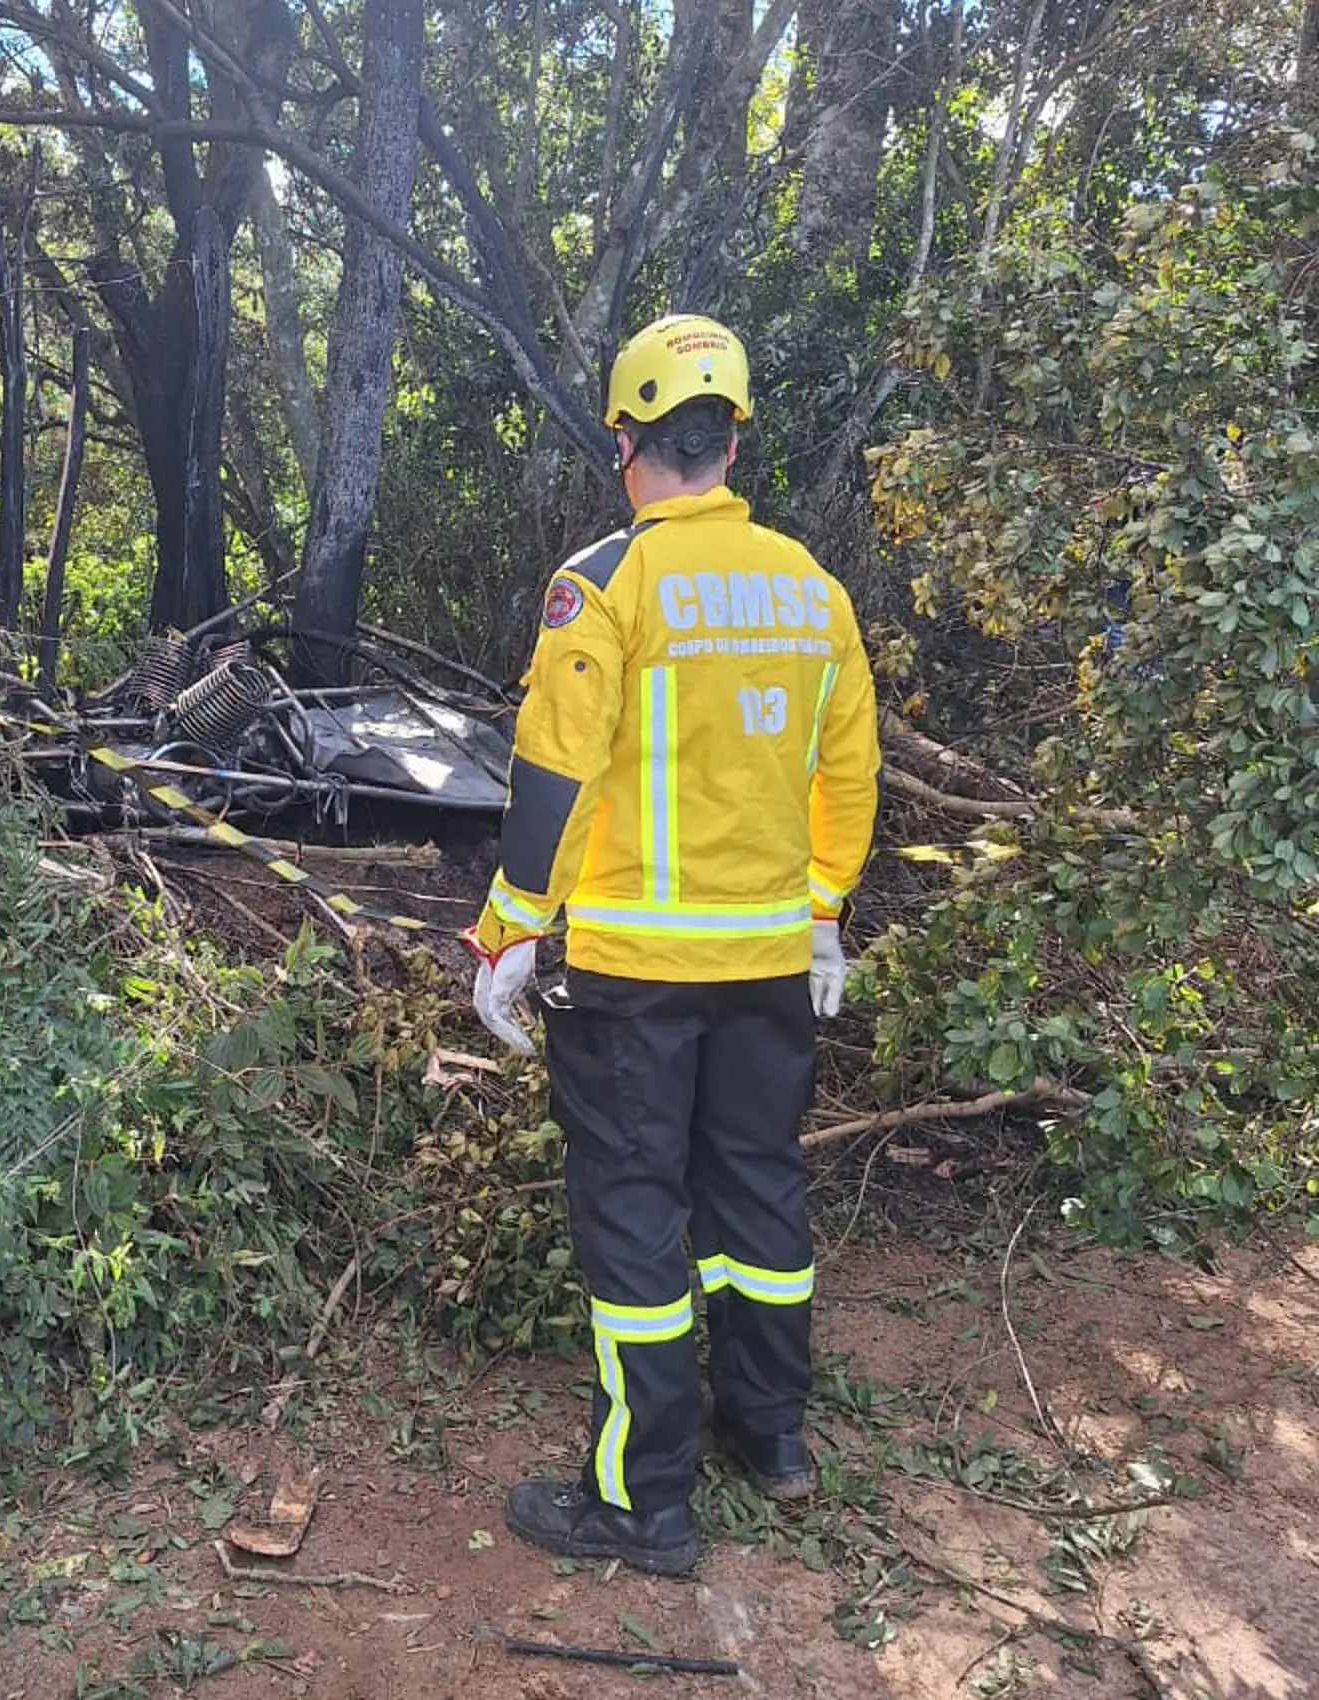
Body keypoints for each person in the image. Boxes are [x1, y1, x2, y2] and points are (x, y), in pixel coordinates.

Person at [464, 314, 881, 1577]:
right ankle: (774, 1436)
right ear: (737, 436)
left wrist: (510, 928)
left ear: (627, 441)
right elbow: (846, 773)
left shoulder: (607, 581)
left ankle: (643, 1499)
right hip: (767, 968)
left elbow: (554, 768)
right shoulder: (813, 589)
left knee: (636, 1216)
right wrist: (820, 911)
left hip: (634, 976)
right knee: (757, 1187)